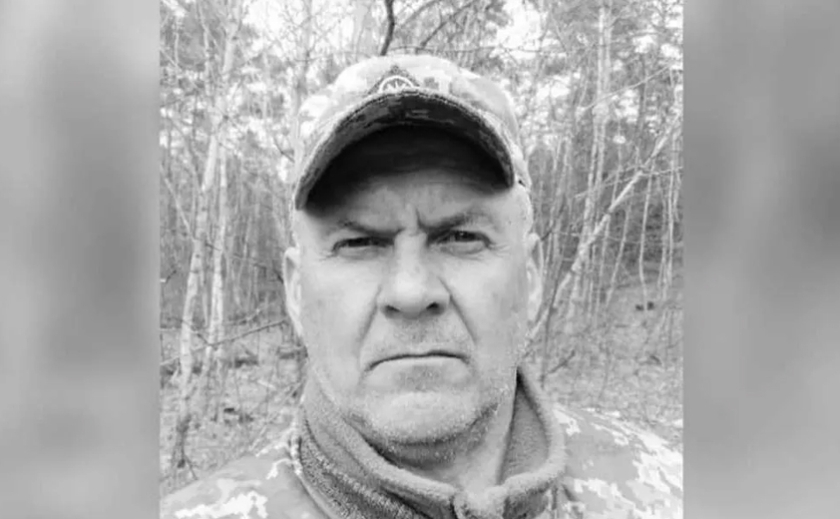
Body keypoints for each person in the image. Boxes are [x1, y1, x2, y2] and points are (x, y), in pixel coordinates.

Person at [160, 54, 683, 519]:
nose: (411, 293)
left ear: (531, 276)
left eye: (461, 237)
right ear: (297, 293)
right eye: (358, 243)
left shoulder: (672, 489)